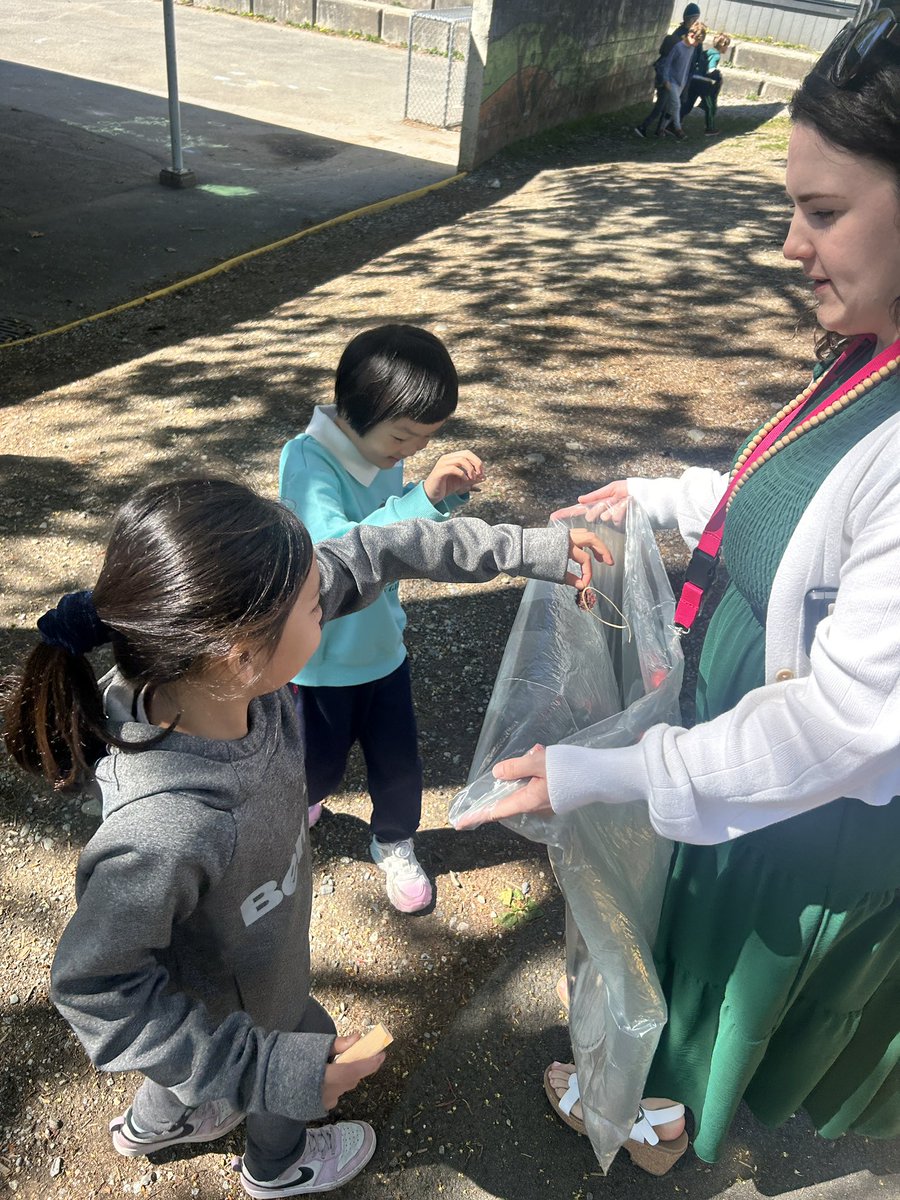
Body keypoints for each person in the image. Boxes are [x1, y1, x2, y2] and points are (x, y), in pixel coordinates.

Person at [464, 10, 900, 1174]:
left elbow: (844, 727)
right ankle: (647, 1107)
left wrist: (599, 772)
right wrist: (663, 500)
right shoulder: (875, 347)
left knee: (709, 987)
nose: (792, 247)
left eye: (824, 213)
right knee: (673, 948)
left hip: (795, 814)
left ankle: (653, 1130)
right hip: (737, 763)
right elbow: (793, 504)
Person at [1, 477, 609, 1198]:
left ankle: (155, 1123)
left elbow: (381, 549)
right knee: (290, 1054)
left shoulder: (216, 676)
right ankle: (275, 1167)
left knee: (197, 1064)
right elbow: (96, 986)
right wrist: (271, 1072)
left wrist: (531, 548)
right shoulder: (169, 827)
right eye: (315, 605)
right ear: (239, 655)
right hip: (253, 995)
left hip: (242, 965)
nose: (330, 597)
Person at [279, 324, 485, 913]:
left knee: (399, 765)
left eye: (423, 441)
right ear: (358, 409)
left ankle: (394, 840)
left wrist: (440, 499)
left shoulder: (380, 451)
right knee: (314, 763)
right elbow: (334, 549)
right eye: (404, 437)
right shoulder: (308, 461)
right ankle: (302, 805)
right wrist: (421, 500)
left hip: (383, 649)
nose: (411, 452)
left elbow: (400, 535)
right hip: (321, 662)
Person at [635, 4, 702, 138]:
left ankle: (661, 128)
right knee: (663, 105)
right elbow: (666, 61)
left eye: (697, 18)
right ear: (687, 19)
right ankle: (647, 127)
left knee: (672, 106)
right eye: (693, 19)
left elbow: (694, 60)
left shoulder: (694, 39)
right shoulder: (678, 38)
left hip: (682, 77)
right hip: (670, 77)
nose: (695, 21)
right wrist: (664, 79)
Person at [681, 30, 730, 134]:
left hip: (693, 79)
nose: (727, 48)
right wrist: (718, 74)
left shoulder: (707, 52)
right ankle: (710, 128)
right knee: (711, 107)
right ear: (722, 45)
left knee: (688, 104)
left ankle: (673, 123)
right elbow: (710, 69)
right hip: (703, 83)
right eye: (727, 46)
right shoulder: (716, 55)